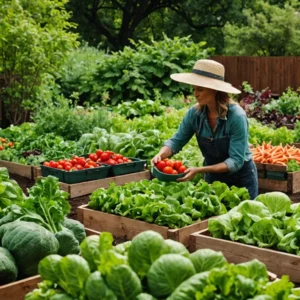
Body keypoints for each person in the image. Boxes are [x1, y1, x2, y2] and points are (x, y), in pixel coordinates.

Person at [151, 59, 258, 199]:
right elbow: (176, 141)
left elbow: (236, 161)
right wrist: (161, 154)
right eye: (194, 89)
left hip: (241, 180)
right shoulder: (194, 114)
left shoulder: (236, 116)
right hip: (213, 179)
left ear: (215, 90)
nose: (195, 94)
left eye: (200, 89)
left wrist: (200, 170)